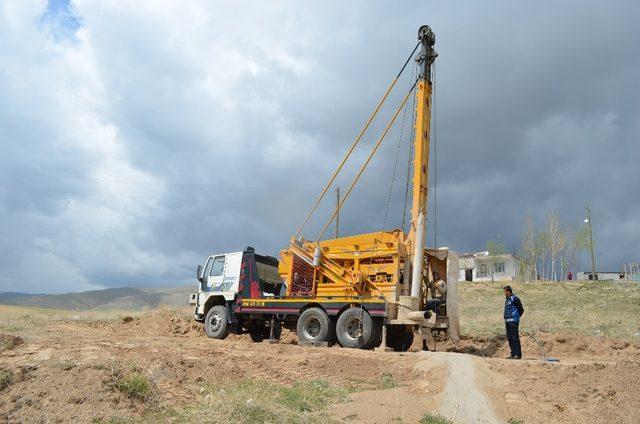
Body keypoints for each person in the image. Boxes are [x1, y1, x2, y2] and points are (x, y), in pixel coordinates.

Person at [503, 285, 524, 359]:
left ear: (508, 291)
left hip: (513, 321)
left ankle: (518, 354)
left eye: (505, 292)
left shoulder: (514, 299)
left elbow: (521, 309)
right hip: (507, 322)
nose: (504, 293)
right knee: (510, 338)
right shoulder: (507, 300)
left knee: (515, 337)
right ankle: (513, 354)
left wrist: (516, 317)